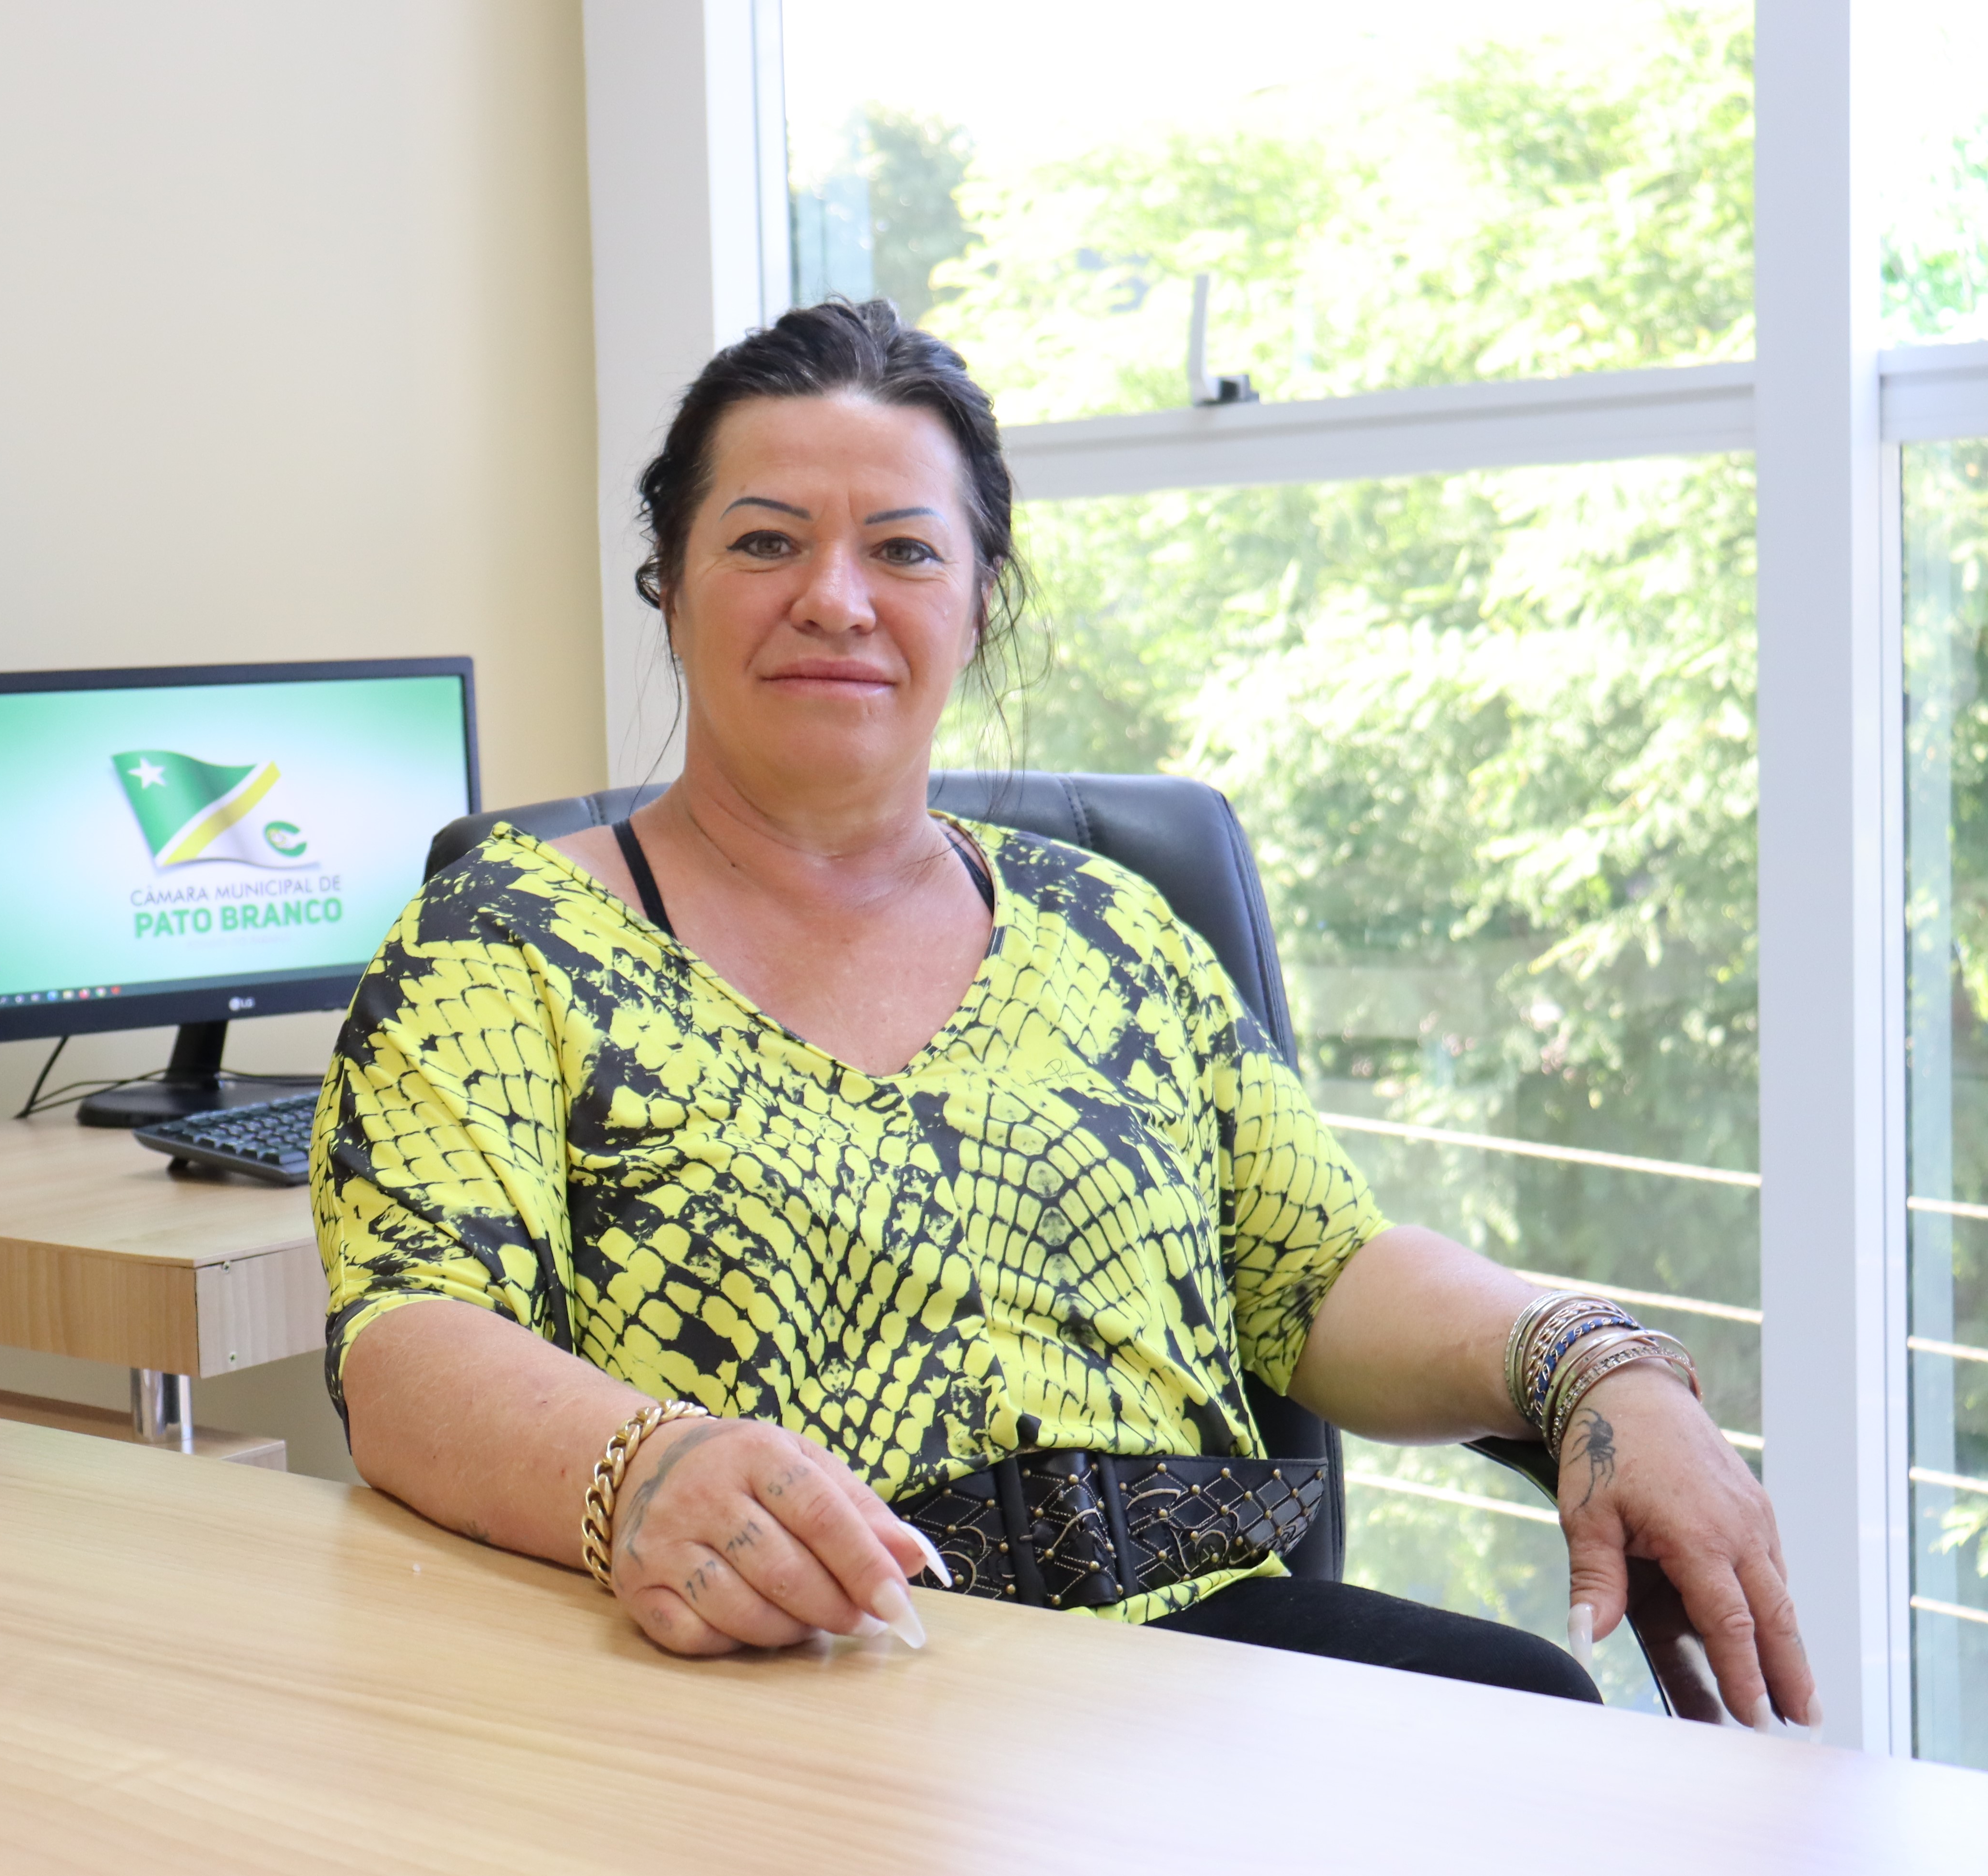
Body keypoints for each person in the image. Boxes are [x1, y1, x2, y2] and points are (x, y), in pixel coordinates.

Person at [313, 299, 1813, 1727]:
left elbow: (1325, 1273)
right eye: (764, 541)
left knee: (1529, 1722)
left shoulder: (1110, 928)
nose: (833, 597)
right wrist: (642, 1468)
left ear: (978, 602)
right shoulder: (503, 941)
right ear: (670, 583)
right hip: (796, 1668)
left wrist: (1591, 1359)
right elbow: (410, 1343)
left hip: (1188, 1672)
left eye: (902, 550)